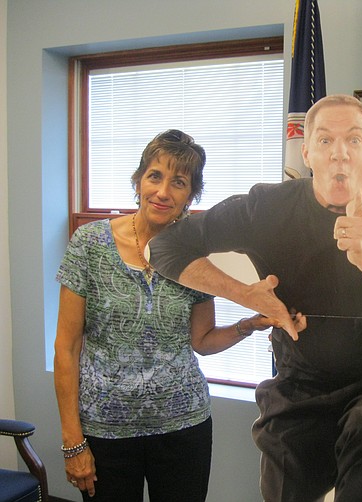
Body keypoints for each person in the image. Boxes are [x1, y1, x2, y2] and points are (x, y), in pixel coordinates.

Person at [147, 94, 362, 501]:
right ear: (306, 153)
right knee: (286, 475)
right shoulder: (268, 206)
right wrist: (248, 296)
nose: (339, 154)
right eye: (324, 141)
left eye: (354, 140)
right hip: (299, 381)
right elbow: (165, 248)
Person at [53, 129, 274, 502]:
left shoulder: (194, 256)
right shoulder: (90, 244)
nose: (163, 192)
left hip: (184, 427)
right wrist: (73, 441)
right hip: (106, 430)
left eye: (179, 182)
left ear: (191, 195)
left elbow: (201, 342)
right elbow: (66, 346)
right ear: (139, 180)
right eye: (155, 176)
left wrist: (247, 325)